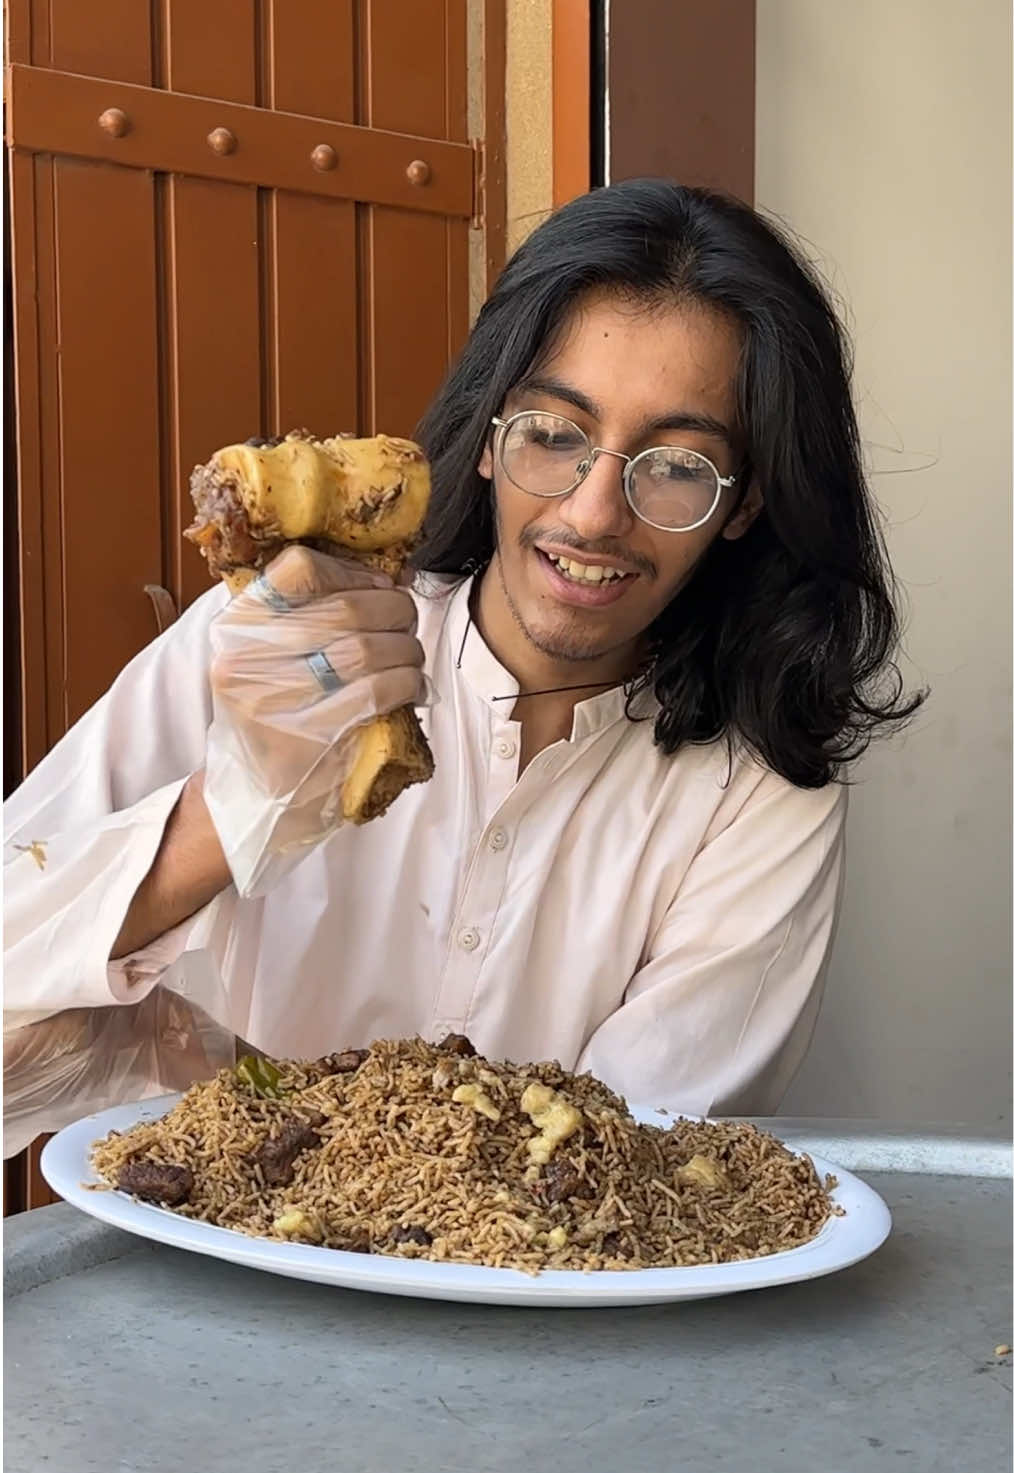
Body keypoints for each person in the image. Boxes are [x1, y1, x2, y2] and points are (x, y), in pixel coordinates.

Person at [3, 179, 921, 1156]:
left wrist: (306, 1141)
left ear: (745, 504)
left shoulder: (757, 786)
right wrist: (226, 812)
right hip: (195, 1244)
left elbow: (637, 1168)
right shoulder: (266, 645)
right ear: (489, 438)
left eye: (677, 466)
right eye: (554, 435)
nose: (592, 514)